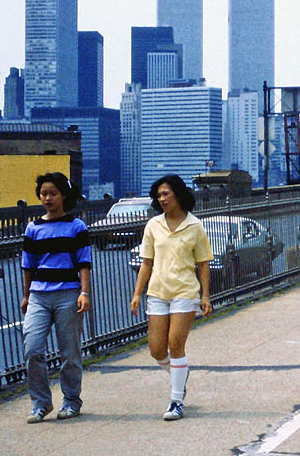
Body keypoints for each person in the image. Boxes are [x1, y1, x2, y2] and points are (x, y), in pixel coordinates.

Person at [130, 175, 214, 421]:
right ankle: (180, 373)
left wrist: (205, 295)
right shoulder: (153, 225)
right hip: (157, 292)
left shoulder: (194, 226)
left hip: (185, 292)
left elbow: (203, 264)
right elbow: (147, 263)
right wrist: (137, 293)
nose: (162, 199)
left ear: (178, 194)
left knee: (176, 345)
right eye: (159, 195)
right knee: (157, 350)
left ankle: (176, 400)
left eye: (166, 194)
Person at [21, 172, 91, 423]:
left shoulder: (76, 227)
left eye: (53, 193)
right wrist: (26, 295)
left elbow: (84, 263)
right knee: (32, 347)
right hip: (39, 295)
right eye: (43, 194)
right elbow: (28, 264)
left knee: (69, 352)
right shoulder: (33, 228)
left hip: (68, 295)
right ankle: (41, 403)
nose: (47, 198)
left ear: (63, 195)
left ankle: (72, 401)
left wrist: (84, 293)